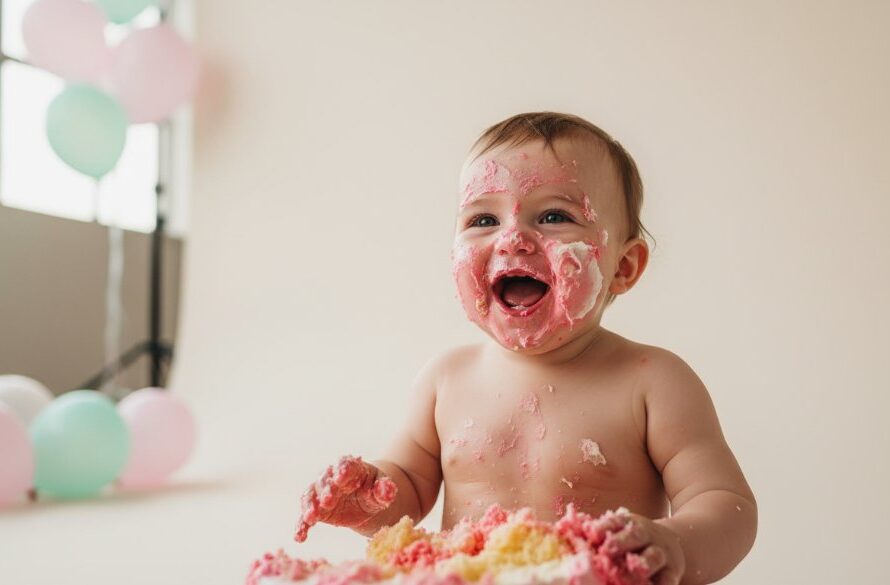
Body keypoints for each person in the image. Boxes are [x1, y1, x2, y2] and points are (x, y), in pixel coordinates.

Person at [294, 112, 757, 585]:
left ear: (624, 265)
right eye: (483, 219)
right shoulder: (446, 380)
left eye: (554, 216)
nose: (512, 238)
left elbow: (725, 504)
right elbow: (406, 488)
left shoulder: (653, 381)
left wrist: (674, 543)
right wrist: (369, 498)